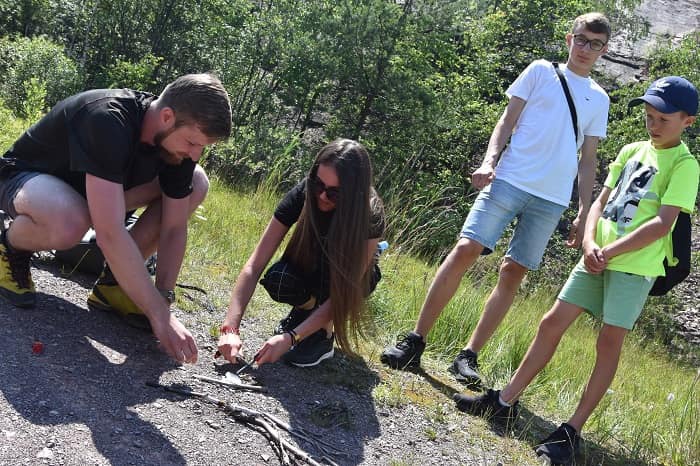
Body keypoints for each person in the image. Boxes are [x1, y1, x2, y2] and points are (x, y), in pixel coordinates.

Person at [453, 76, 699, 464]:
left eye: (663, 119)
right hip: (595, 256)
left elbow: (662, 224)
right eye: (649, 116)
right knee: (552, 323)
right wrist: (588, 242)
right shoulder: (633, 149)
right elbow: (602, 199)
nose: (653, 125)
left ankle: (571, 431)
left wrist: (609, 250)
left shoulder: (686, 165)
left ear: (688, 121)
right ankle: (504, 402)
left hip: (633, 268)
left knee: (607, 344)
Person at [381, 12, 611, 387]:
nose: (587, 49)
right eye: (582, 40)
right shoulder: (540, 70)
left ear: (604, 50)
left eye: (596, 44)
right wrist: (489, 161)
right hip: (510, 179)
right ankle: (415, 340)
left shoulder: (599, 98)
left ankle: (468, 357)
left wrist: (584, 211)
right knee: (465, 249)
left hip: (551, 199)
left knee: (513, 272)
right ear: (570, 39)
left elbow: (589, 160)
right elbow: (506, 120)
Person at [0, 73, 232, 364]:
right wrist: (159, 318)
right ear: (167, 116)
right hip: (27, 183)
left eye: (202, 147)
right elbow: (110, 232)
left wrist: (162, 300)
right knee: (71, 220)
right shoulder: (108, 118)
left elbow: (173, 228)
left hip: (93, 207)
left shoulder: (178, 148)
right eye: (191, 142)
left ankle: (115, 287)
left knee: (195, 182)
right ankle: (10, 246)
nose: (195, 153)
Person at [216, 139, 384, 367]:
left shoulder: (369, 215)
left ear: (354, 195)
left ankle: (323, 334)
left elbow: (344, 292)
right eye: (318, 185)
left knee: (332, 280)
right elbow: (254, 266)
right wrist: (230, 328)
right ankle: (307, 313)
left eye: (334, 194)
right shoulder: (304, 193)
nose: (322, 196)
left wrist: (291, 338)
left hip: (351, 283)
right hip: (312, 269)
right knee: (279, 279)